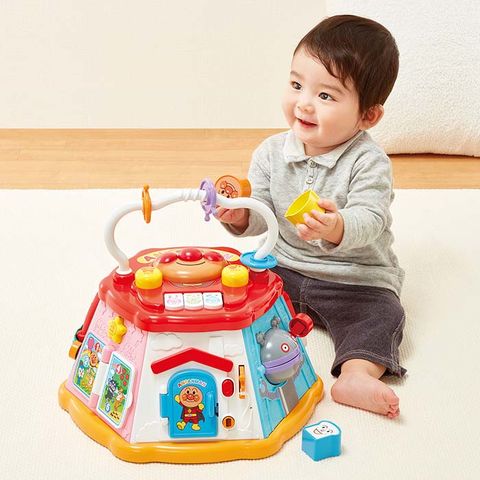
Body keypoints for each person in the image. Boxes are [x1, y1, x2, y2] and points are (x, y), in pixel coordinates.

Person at [216, 15, 406, 419]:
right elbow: (261, 215)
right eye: (296, 85)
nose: (303, 103)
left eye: (325, 96)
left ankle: (356, 374)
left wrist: (338, 227)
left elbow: (371, 217)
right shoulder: (270, 153)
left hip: (353, 280)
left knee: (383, 315)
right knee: (235, 280)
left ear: (368, 116)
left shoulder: (369, 161)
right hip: (283, 267)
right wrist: (238, 215)